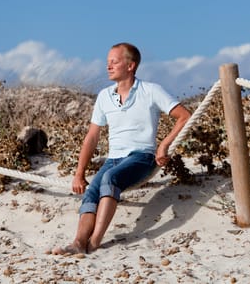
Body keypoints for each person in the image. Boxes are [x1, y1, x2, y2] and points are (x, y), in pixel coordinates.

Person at [49, 42, 191, 255]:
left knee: (109, 179)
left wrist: (164, 145)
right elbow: (92, 137)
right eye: (107, 62)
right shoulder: (104, 96)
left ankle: (95, 241)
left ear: (131, 65)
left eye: (114, 62)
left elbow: (185, 116)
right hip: (113, 159)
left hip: (142, 157)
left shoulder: (151, 91)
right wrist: (79, 174)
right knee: (91, 193)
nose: (108, 66)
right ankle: (78, 242)